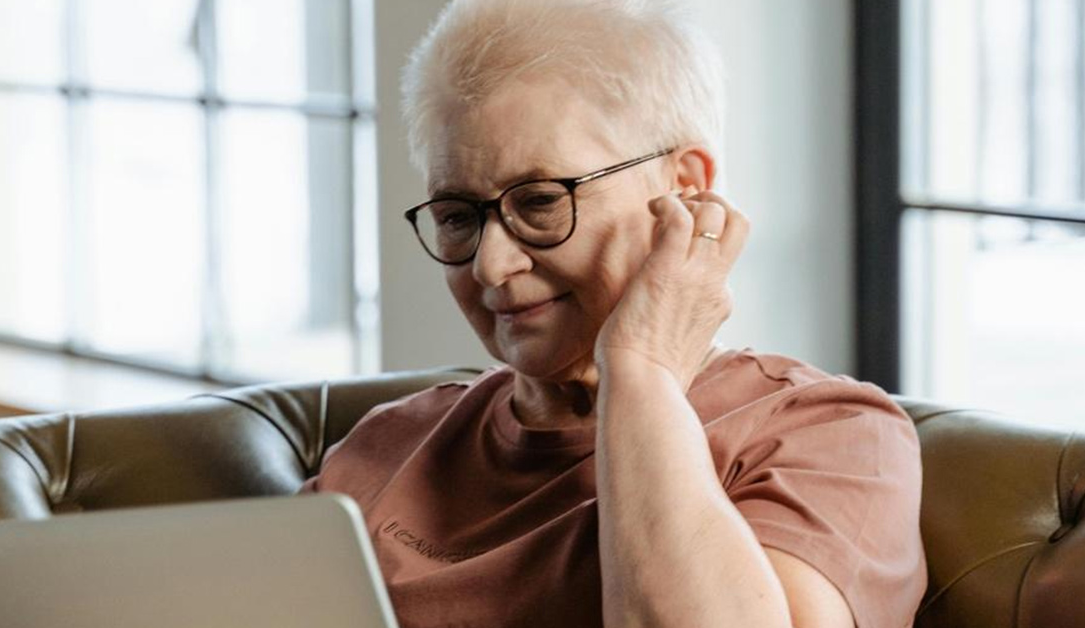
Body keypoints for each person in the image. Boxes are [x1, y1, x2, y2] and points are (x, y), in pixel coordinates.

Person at [300, 1, 926, 626]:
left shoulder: (829, 438)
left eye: (540, 202)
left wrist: (641, 371)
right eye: (458, 217)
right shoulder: (386, 449)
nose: (491, 266)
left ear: (684, 184)